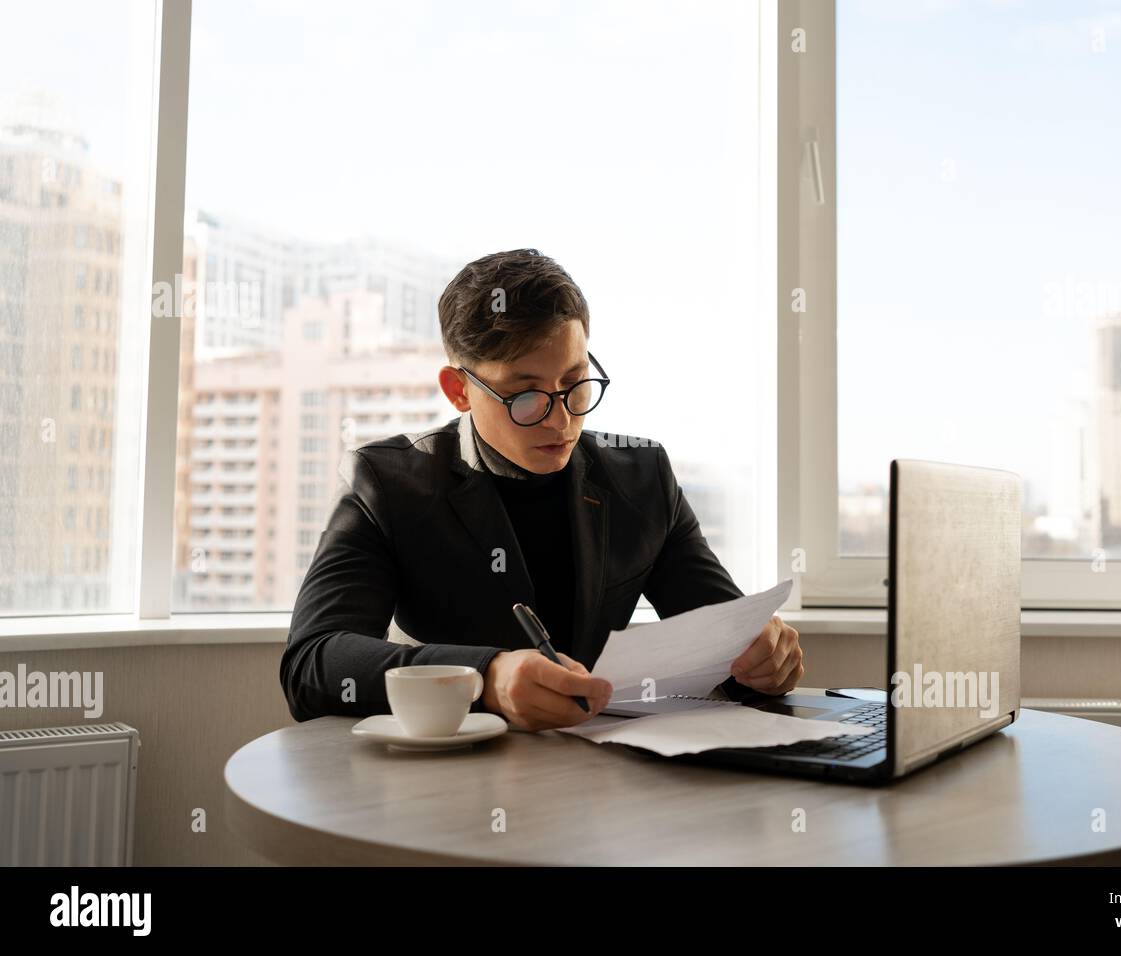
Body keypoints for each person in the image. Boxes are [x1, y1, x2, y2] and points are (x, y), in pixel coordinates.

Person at [280, 248, 803, 730]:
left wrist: (760, 658)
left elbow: (724, 638)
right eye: (524, 396)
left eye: (575, 383)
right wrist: (486, 678)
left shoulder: (641, 476)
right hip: (449, 780)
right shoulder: (389, 481)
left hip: (601, 775)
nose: (560, 420)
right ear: (458, 389)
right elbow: (312, 664)